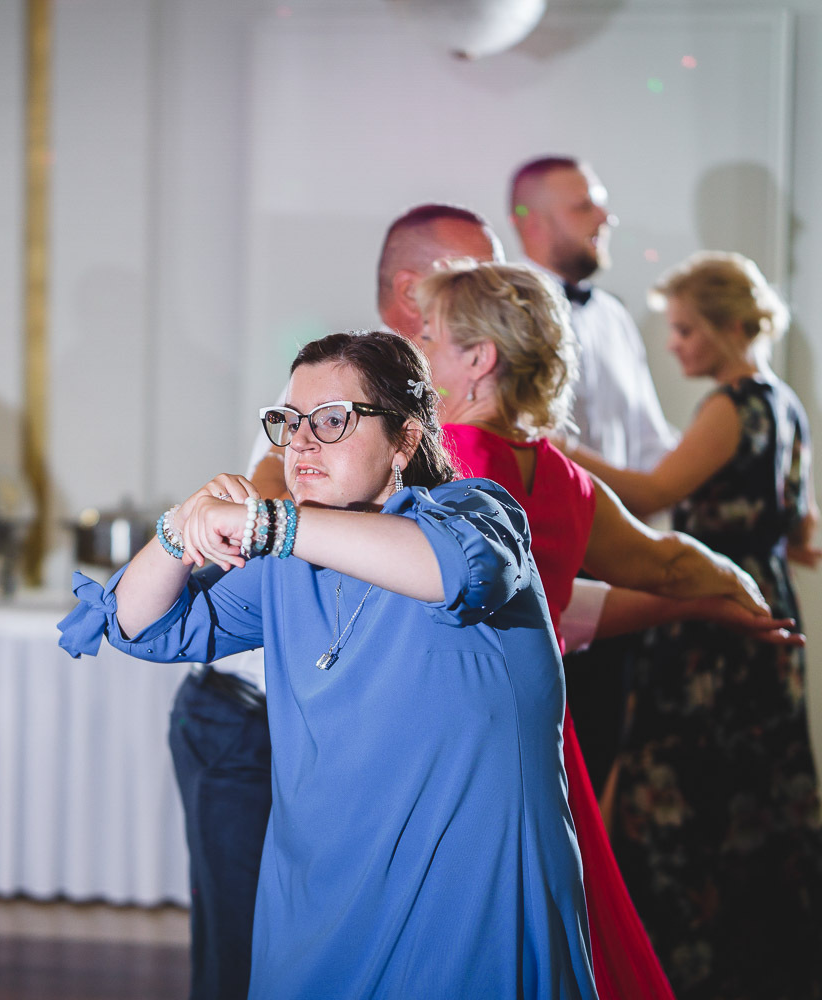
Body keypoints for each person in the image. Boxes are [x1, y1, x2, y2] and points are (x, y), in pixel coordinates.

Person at [63, 331, 597, 998]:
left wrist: (270, 525)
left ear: (404, 441)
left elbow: (458, 571)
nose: (301, 443)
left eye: (332, 420)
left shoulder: (476, 512)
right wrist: (179, 530)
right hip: (322, 905)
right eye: (290, 422)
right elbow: (140, 626)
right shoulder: (289, 565)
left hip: (461, 908)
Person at [416, 258, 803, 1000]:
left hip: (455, 738)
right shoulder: (563, 476)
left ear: (479, 359)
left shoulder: (446, 463)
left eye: (430, 336)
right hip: (541, 734)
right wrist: (736, 589)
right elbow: (666, 562)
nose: (420, 351)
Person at [167, 203, 503, 1000]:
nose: (492, 286)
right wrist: (221, 521)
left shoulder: (452, 446)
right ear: (412, 288)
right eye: (475, 271)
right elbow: (267, 506)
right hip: (254, 711)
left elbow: (465, 566)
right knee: (249, 953)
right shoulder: (336, 393)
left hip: (351, 727)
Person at [563, 251, 822, 999]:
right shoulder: (785, 403)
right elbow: (804, 529)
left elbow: (654, 491)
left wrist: (559, 453)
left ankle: (679, 973)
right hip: (768, 600)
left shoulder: (729, 406)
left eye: (686, 330)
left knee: (677, 794)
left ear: (731, 328)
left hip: (714, 619)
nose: (673, 346)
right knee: (763, 792)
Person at [510, 155, 678, 794]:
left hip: (617, 559)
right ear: (530, 221)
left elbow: (650, 441)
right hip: (545, 568)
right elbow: (526, 439)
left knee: (603, 751)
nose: (605, 216)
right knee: (540, 766)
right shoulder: (506, 313)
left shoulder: (613, 316)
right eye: (584, 205)